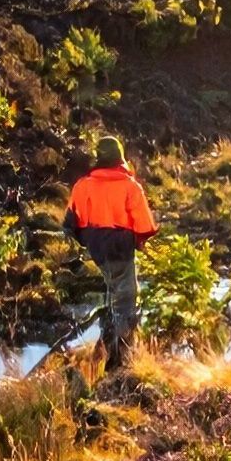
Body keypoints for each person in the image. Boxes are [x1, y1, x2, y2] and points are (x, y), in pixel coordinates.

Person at [64, 134, 158, 369]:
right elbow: (145, 226)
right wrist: (137, 241)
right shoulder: (130, 187)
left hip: (98, 251)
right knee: (126, 298)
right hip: (120, 250)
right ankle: (121, 360)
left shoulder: (82, 186)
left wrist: (88, 241)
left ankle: (105, 343)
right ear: (119, 159)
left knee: (112, 290)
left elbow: (69, 223)